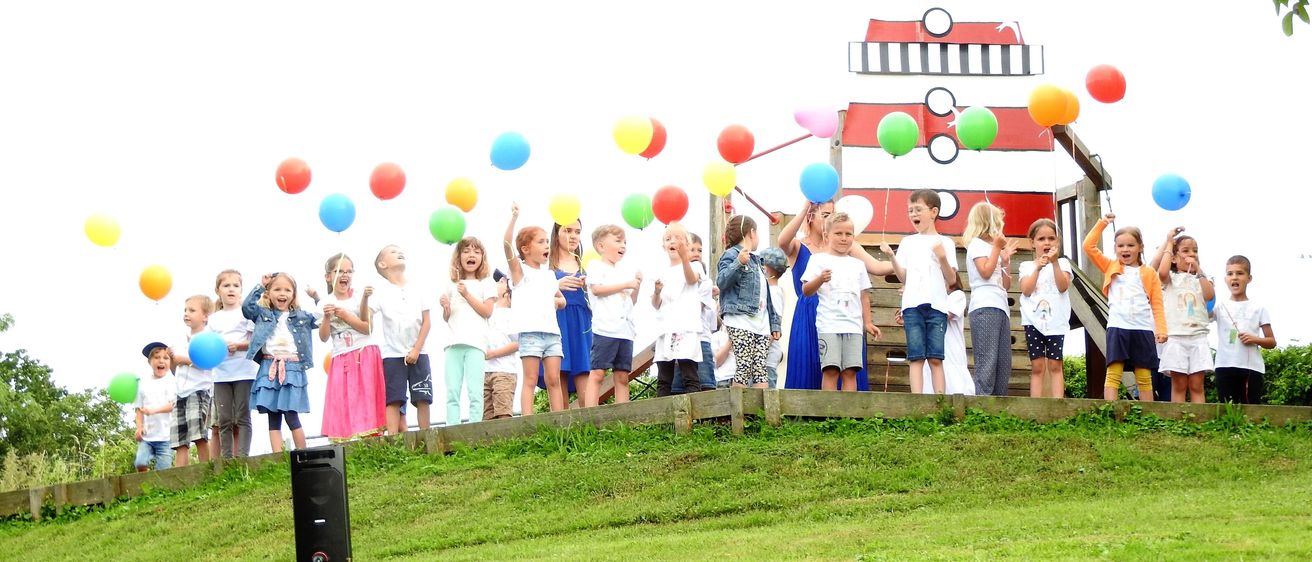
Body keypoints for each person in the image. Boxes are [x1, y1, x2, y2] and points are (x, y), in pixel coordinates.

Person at [778, 200, 892, 391]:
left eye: (833, 214)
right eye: (825, 214)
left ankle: (846, 413)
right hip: (808, 312)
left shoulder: (847, 246)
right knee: (818, 365)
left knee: (848, 368)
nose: (830, 218)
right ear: (811, 217)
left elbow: (876, 267)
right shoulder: (799, 246)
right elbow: (782, 241)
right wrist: (804, 207)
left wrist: (903, 265)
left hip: (844, 314)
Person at [880, 190, 957, 394]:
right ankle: (918, 402)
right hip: (912, 306)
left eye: (918, 209)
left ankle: (940, 403)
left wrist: (942, 258)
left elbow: (951, 280)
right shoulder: (908, 242)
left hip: (937, 306)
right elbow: (904, 277)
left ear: (933, 212)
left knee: (935, 357)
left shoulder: (946, 243)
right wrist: (891, 257)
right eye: (910, 210)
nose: (913, 214)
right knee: (916, 356)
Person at [1082, 213, 1166, 401]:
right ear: (1115, 248)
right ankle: (1110, 410)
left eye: (1130, 245)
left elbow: (1157, 304)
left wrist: (1160, 329)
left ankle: (1147, 415)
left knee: (1144, 376)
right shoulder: (1111, 266)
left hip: (1142, 328)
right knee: (1114, 372)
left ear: (1140, 247)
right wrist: (1103, 223)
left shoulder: (1149, 273)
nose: (1125, 249)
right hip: (1118, 327)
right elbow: (1088, 246)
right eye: (1120, 246)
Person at [801, 212, 880, 391]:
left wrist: (867, 322)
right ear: (827, 235)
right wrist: (820, 279)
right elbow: (806, 290)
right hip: (829, 324)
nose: (844, 238)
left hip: (853, 326)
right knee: (831, 370)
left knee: (850, 371)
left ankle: (848, 416)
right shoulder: (817, 260)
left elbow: (863, 295)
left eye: (848, 234)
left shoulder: (858, 264)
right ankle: (830, 415)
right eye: (838, 234)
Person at [504, 203, 567, 414]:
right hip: (530, 332)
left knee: (553, 379)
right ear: (525, 249)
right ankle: (527, 420)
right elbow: (506, 245)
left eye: (547, 242)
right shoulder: (519, 272)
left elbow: (561, 300)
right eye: (541, 242)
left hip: (552, 333)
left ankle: (559, 421)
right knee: (530, 379)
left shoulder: (549, 275)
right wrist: (514, 217)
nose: (546, 246)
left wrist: (558, 302)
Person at [243, 273, 317, 452]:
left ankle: (302, 452)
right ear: (269, 293)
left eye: (287, 290)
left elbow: (321, 316)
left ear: (293, 294)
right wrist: (261, 285)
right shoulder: (263, 314)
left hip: (292, 368)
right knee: (273, 415)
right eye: (277, 289)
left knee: (291, 415)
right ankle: (277, 457)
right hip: (269, 366)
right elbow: (247, 308)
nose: (282, 293)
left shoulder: (301, 316)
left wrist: (316, 297)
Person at [318, 253, 386, 440]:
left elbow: (367, 328)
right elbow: (323, 337)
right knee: (343, 399)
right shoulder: (325, 302)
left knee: (366, 397)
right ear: (328, 276)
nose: (344, 275)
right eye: (339, 271)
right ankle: (348, 440)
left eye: (348, 271)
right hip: (341, 356)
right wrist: (326, 317)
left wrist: (345, 315)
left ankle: (372, 438)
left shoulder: (359, 297)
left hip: (364, 354)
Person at [369, 244, 434, 433]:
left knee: (423, 395)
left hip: (419, 351)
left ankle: (426, 436)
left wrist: (416, 349)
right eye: (392, 252)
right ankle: (393, 440)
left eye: (399, 251)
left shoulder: (418, 287)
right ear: (382, 264)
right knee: (393, 398)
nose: (399, 252)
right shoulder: (380, 292)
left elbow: (427, 321)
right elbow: (368, 317)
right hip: (392, 354)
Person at [1149, 228, 1215, 403]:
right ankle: (1177, 421)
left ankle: (1199, 420)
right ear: (1173, 258)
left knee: (1196, 384)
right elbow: (1161, 273)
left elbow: (1209, 295)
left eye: (1195, 251)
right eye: (1185, 251)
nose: (1191, 255)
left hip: (1198, 337)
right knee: (1178, 384)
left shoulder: (1200, 279)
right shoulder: (1170, 279)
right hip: (1176, 337)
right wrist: (1170, 241)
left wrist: (1199, 269)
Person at [717, 216, 782, 389]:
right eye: (757, 232)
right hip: (739, 319)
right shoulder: (730, 255)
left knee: (760, 368)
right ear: (751, 233)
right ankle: (740, 414)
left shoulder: (757, 260)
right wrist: (738, 263)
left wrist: (774, 324)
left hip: (760, 322)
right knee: (744, 366)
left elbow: (765, 296)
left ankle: (761, 414)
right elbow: (722, 281)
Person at [963, 202, 1019, 396]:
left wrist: (1005, 260)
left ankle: (997, 407)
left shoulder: (990, 247)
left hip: (1000, 305)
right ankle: (982, 404)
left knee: (1003, 362)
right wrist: (996, 249)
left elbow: (1006, 284)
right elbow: (985, 272)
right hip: (985, 305)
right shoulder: (977, 245)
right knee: (987, 360)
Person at [441, 237, 497, 425]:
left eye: (476, 251)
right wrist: (446, 308)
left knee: (475, 390)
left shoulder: (486, 283)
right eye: (466, 251)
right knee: (452, 390)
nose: (471, 255)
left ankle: (475, 428)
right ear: (458, 257)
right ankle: (452, 427)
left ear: (482, 257)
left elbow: (487, 311)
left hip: (476, 344)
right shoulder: (451, 285)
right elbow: (447, 317)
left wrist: (466, 294)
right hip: (453, 343)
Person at [585, 224, 641, 406]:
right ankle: (589, 415)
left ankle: (622, 416)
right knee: (598, 373)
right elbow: (597, 289)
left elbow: (631, 302)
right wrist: (626, 284)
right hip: (606, 329)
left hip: (625, 330)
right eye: (618, 241)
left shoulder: (623, 271)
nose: (623, 245)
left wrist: (636, 286)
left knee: (623, 376)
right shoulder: (595, 266)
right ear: (601, 246)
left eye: (624, 241)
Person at [1019, 219, 1073, 398]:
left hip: (1056, 322)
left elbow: (1063, 286)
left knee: (1055, 364)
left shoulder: (1063, 264)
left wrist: (1054, 263)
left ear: (1057, 242)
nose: (1047, 242)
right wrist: (1037, 268)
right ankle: (1036, 405)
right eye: (1041, 239)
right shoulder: (1026, 266)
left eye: (1051, 238)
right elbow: (1026, 290)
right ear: (1033, 243)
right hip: (1033, 322)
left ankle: (1058, 404)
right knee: (1037, 365)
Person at [1213, 255, 1276, 404]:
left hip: (1251, 368)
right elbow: (1202, 314)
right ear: (1225, 279)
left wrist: (1255, 339)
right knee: (1226, 410)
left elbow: (1271, 341)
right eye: (1230, 274)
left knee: (1251, 410)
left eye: (1240, 273)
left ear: (1249, 278)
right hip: (1224, 365)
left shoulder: (1259, 308)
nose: (1234, 278)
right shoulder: (1219, 307)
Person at [653, 222, 704, 395]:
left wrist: (684, 259)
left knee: (689, 372)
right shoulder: (661, 271)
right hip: (665, 327)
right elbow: (656, 304)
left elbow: (691, 280)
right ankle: (661, 418)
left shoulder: (695, 265)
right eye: (668, 239)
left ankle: (695, 415)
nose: (672, 241)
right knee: (664, 377)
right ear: (663, 246)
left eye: (677, 238)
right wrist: (656, 292)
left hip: (686, 327)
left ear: (688, 245)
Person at [209, 269, 255, 458]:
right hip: (221, 374)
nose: (231, 289)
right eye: (226, 285)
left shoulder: (247, 314)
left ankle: (242, 458)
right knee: (225, 419)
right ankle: (227, 460)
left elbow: (254, 343)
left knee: (242, 417)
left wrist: (238, 346)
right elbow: (209, 347)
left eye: (236, 286)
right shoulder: (213, 319)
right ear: (218, 290)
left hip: (244, 372)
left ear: (241, 290)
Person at [548, 219, 592, 408]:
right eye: (568, 230)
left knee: (585, 370)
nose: (573, 236)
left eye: (577, 231)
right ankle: (561, 431)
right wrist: (555, 285)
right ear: (556, 233)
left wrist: (589, 286)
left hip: (582, 322)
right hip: (557, 320)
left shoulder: (587, 262)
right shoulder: (546, 264)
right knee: (559, 373)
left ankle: (591, 428)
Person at [168, 295, 213, 467]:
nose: (187, 313)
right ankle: (180, 476)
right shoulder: (180, 338)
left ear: (205, 316)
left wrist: (183, 359)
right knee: (179, 438)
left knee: (198, 434)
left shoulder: (207, 338)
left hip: (199, 390)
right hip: (180, 392)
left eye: (192, 310)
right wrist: (173, 361)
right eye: (185, 310)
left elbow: (208, 363)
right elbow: (176, 368)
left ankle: (205, 471)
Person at [910, 285, 975, 395]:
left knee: (955, 385)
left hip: (952, 354)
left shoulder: (957, 296)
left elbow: (944, 316)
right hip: (931, 351)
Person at [674, 233, 717, 395]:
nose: (696, 253)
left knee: (705, 384)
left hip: (700, 338)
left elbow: (695, 309)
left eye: (699, 250)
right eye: (691, 249)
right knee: (679, 386)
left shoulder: (705, 282)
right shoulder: (676, 276)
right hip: (680, 337)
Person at [135, 342, 177, 472]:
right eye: (157, 357)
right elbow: (138, 409)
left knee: (163, 470)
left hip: (166, 437)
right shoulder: (142, 384)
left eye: (165, 358)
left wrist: (154, 410)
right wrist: (139, 427)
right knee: (140, 463)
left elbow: (172, 405)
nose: (161, 361)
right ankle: (146, 483)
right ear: (150, 362)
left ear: (170, 362)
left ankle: (160, 490)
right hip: (148, 437)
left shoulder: (171, 382)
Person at [483, 277, 519, 420]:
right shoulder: (487, 313)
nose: (498, 282)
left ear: (507, 294)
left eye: (502, 282)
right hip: (485, 371)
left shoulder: (513, 315)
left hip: (505, 371)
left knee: (503, 412)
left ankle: (507, 442)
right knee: (486, 416)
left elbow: (517, 343)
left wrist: (493, 354)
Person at [759, 247, 789, 388]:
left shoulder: (774, 292)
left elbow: (775, 323)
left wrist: (760, 348)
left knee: (767, 387)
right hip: (763, 352)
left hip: (768, 354)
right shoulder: (768, 291)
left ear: (766, 269)